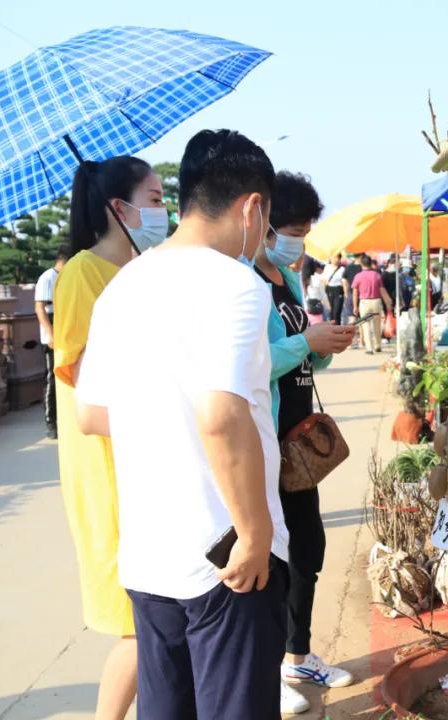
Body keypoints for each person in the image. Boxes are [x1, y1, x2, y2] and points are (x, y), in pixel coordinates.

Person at [74, 129, 289, 719]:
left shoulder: (123, 285)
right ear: (252, 207)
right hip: (226, 558)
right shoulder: (236, 285)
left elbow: (90, 413)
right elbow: (220, 415)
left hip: (150, 553)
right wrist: (255, 534)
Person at [54, 155, 166, 719]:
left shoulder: (142, 270)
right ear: (118, 208)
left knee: (155, 616)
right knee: (138, 622)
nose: (165, 210)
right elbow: (82, 381)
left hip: (147, 452)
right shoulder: (83, 273)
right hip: (108, 460)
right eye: (155, 199)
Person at [254, 173, 356, 714]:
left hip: (298, 443)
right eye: (293, 230)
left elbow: (301, 358)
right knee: (268, 560)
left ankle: (297, 654)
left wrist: (323, 346)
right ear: (266, 225)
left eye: (305, 231)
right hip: (264, 441)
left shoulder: (287, 279)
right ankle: (265, 669)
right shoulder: (245, 281)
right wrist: (304, 342)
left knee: (307, 550)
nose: (299, 241)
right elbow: (252, 364)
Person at [35, 246, 68, 439]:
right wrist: (50, 334)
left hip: (65, 329)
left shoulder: (67, 277)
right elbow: (40, 308)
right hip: (52, 332)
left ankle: (63, 419)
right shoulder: (48, 278)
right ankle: (50, 421)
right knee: (52, 377)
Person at [350, 254, 393, 354]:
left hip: (364, 302)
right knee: (377, 325)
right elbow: (382, 289)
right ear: (370, 263)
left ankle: (369, 348)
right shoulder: (377, 275)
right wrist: (388, 302)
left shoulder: (358, 276)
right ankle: (378, 345)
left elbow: (355, 293)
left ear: (361, 264)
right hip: (376, 301)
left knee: (366, 326)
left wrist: (355, 306)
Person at [323, 252, 346, 325]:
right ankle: (332, 328)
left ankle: (337, 328)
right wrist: (324, 293)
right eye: (333, 257)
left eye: (337, 258)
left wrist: (346, 294)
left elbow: (344, 283)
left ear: (339, 259)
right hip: (329, 290)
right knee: (331, 312)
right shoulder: (327, 267)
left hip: (338, 290)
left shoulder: (342, 269)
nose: (335, 259)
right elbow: (324, 280)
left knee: (336, 312)